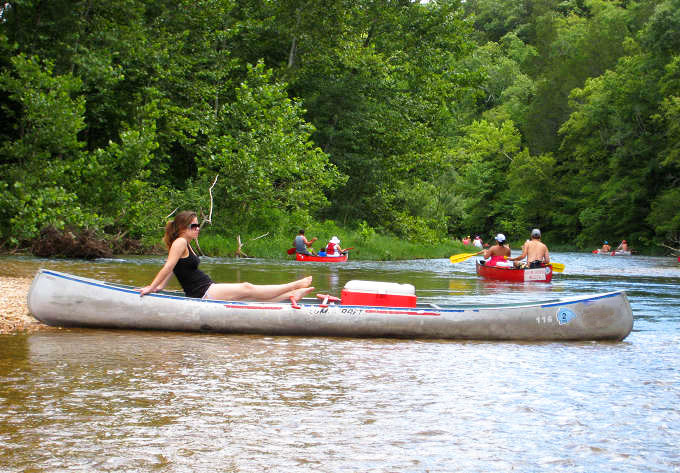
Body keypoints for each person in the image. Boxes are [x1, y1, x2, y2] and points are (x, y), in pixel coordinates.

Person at [139, 211, 314, 301]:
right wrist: (151, 288)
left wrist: (158, 287)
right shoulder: (180, 242)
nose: (198, 228)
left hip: (206, 287)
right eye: (194, 226)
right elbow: (168, 267)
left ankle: (291, 295)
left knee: (248, 296)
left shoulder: (186, 243)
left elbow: (173, 269)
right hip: (202, 292)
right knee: (247, 288)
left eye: (198, 225)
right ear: (182, 228)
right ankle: (294, 285)